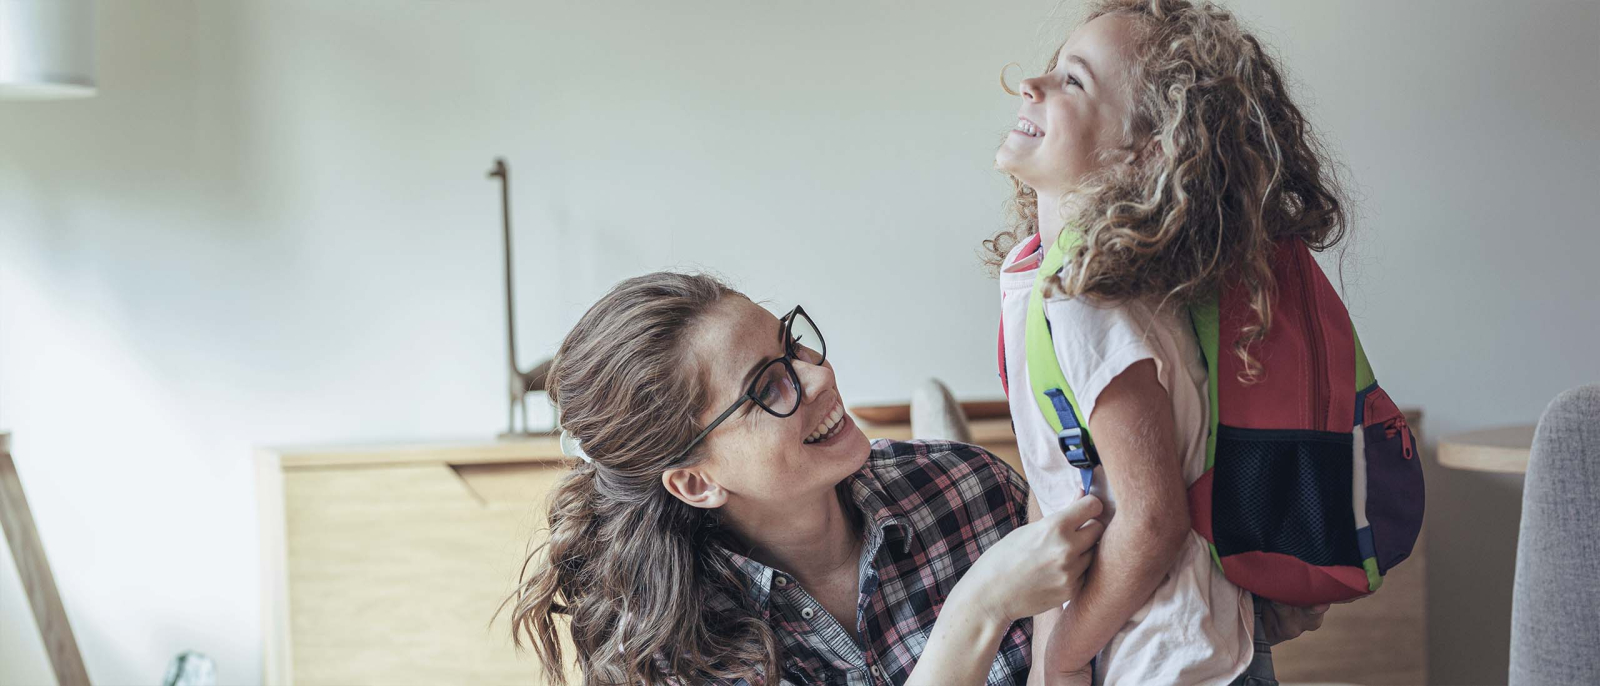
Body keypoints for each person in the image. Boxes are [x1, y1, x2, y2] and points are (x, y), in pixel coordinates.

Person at [508, 272, 1106, 685]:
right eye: (768, 388)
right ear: (695, 483)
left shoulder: (965, 488)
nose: (818, 378)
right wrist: (982, 606)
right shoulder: (673, 655)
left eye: (793, 346)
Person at [990, 1, 1348, 684]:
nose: (1031, 85)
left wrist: (1061, 658)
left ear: (1145, 150)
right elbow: (1061, 486)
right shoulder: (1057, 278)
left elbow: (1154, 522)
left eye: (1074, 81)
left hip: (1172, 665)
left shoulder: (1089, 299)